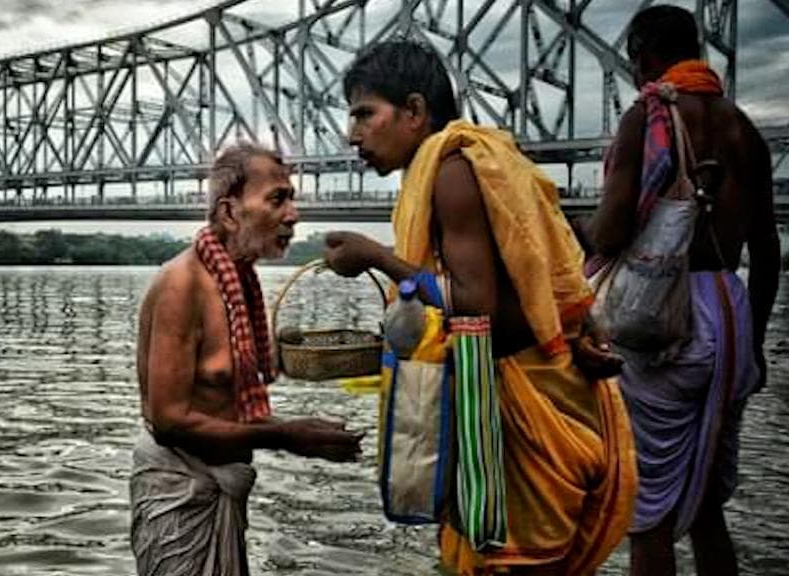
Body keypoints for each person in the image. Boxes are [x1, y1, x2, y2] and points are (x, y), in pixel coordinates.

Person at [323, 40, 637, 575]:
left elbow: (474, 304)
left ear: (415, 112)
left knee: (513, 561)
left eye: (364, 114)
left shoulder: (451, 171)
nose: (352, 134)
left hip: (523, 401)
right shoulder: (474, 160)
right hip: (534, 387)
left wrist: (375, 256)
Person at [584, 6, 780, 576]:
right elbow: (766, 251)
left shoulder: (647, 117)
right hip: (731, 312)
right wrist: (756, 344)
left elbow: (614, 229)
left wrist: (570, 230)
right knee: (708, 508)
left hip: (665, 322)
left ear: (642, 54)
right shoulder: (743, 127)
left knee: (650, 514)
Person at [130, 143, 363, 576]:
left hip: (220, 487)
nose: (293, 214)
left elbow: (226, 396)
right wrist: (285, 436)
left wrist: (302, 431)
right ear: (230, 212)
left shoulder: (239, 283)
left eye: (291, 199)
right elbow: (168, 420)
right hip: (177, 495)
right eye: (278, 199)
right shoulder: (182, 285)